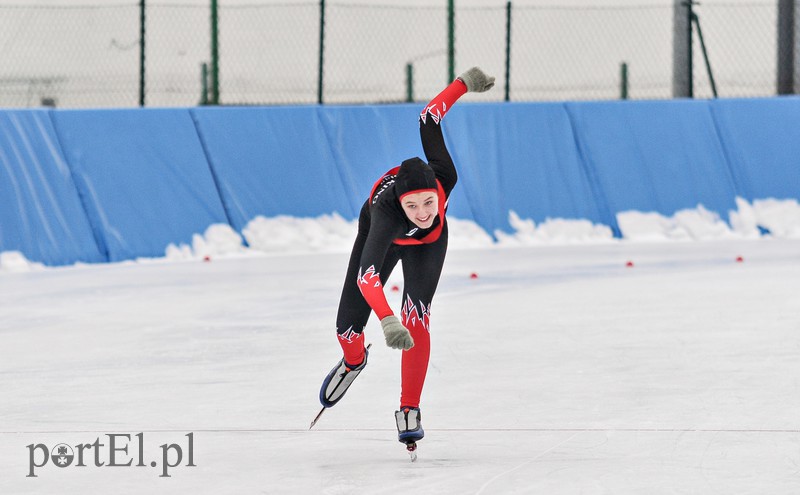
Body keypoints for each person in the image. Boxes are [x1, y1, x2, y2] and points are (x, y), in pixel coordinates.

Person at [318, 67, 495, 448]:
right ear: (400, 202)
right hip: (382, 242)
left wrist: (463, 83)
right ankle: (353, 362)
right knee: (346, 329)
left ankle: (409, 408)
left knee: (417, 317)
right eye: (412, 205)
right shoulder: (386, 214)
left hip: (428, 246)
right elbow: (367, 277)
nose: (423, 212)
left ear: (438, 190)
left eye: (429, 202)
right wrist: (385, 320)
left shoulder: (444, 176)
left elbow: (429, 117)